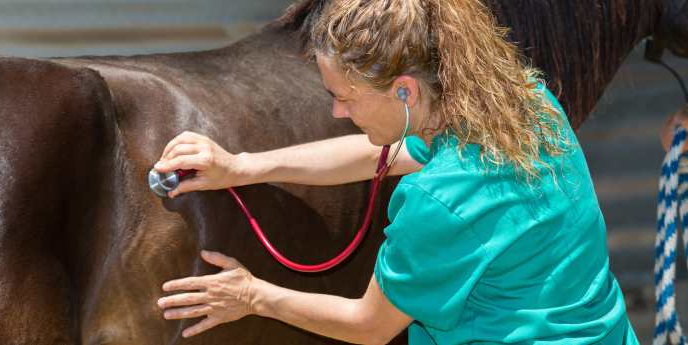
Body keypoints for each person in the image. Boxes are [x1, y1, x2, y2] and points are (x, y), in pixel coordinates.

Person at [154, 0, 640, 343]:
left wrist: (251, 295)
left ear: (405, 90)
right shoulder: (527, 103)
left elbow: (370, 324)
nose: (339, 113)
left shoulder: (438, 201)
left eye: (344, 97)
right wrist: (242, 166)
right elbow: (377, 157)